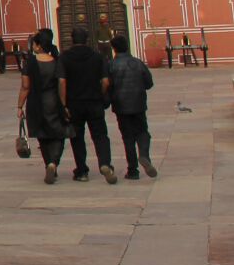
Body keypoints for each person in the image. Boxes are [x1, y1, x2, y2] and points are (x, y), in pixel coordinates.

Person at [60, 25, 116, 184]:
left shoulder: (65, 57)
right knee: (100, 136)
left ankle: (82, 171)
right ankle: (105, 164)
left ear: (72, 39)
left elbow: (62, 82)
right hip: (94, 103)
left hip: (74, 103)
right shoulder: (97, 57)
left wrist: (63, 104)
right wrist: (100, 93)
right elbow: (105, 81)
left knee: (77, 138)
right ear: (87, 40)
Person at [17, 28, 69, 184]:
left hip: (35, 102)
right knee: (59, 133)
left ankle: (48, 164)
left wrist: (20, 106)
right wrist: (64, 103)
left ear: (39, 46)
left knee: (42, 134)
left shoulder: (30, 62)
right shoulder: (56, 61)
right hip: (53, 101)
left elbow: (25, 87)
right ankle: (54, 162)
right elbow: (62, 82)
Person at [106, 34, 158, 180]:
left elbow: (107, 85)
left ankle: (133, 170)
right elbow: (149, 83)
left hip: (121, 106)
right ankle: (144, 155)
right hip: (138, 104)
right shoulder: (138, 63)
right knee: (142, 132)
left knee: (127, 137)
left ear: (114, 49)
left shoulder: (111, 65)